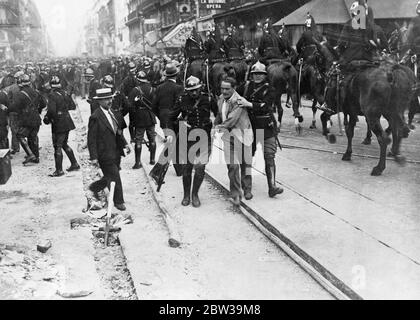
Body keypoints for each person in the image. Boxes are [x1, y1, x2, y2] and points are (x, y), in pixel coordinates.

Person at [169, 76, 218, 208]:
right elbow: (171, 117)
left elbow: (219, 114)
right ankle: (186, 195)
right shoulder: (182, 100)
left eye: (196, 90)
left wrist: (216, 125)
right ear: (187, 91)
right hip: (188, 137)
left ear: (201, 87)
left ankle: (195, 194)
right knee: (187, 168)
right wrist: (176, 129)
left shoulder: (208, 99)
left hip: (204, 137)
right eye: (191, 91)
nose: (194, 93)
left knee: (200, 168)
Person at [237, 62, 284, 198]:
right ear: (251, 75)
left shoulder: (270, 89)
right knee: (246, 158)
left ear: (265, 76)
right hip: (249, 127)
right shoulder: (246, 86)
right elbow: (233, 94)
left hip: (266, 126)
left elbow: (266, 106)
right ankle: (246, 189)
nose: (257, 76)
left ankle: (272, 186)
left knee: (269, 157)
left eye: (260, 74)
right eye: (255, 74)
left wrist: (248, 104)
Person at [88, 88, 131, 212]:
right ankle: (119, 201)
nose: (109, 101)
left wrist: (125, 144)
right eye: (106, 99)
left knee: (111, 175)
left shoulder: (113, 113)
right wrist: (94, 157)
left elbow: (117, 132)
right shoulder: (95, 117)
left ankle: (96, 187)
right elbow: (91, 139)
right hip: (104, 153)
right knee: (115, 176)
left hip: (116, 151)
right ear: (100, 101)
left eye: (110, 98)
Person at [214, 77, 254, 206]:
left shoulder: (239, 101)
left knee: (245, 164)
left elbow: (232, 119)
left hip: (243, 134)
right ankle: (236, 193)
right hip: (228, 135)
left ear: (234, 88)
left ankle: (247, 189)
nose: (224, 91)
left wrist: (217, 128)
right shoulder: (220, 98)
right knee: (232, 165)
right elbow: (219, 115)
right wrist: (215, 124)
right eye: (222, 88)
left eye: (227, 89)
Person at [43, 76, 80, 177]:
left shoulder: (52, 95)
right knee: (64, 144)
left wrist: (47, 118)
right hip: (67, 121)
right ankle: (74, 164)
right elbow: (72, 106)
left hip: (58, 123)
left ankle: (59, 170)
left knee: (57, 146)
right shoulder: (64, 93)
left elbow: (51, 111)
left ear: (51, 86)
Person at [151, 63, 184, 177]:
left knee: (171, 143)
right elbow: (180, 105)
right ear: (176, 75)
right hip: (175, 119)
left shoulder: (159, 87)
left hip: (163, 118)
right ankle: (162, 170)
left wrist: (161, 116)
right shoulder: (179, 88)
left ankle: (177, 169)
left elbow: (153, 106)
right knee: (176, 144)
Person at [7, 74, 45, 165]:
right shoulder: (36, 91)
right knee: (33, 137)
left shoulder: (20, 94)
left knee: (20, 135)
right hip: (36, 118)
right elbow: (44, 104)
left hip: (26, 119)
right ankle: (36, 157)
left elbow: (15, 107)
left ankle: (30, 155)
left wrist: (7, 109)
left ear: (21, 84)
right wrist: (37, 111)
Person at [128, 71, 157, 169]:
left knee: (138, 140)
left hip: (139, 117)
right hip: (150, 116)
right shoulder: (153, 89)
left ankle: (137, 163)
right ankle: (152, 160)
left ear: (138, 80)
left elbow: (129, 105)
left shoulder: (135, 90)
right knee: (152, 138)